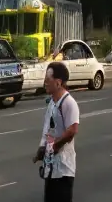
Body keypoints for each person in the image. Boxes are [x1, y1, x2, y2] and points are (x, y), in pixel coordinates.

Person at [34, 62, 80, 202]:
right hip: (51, 167)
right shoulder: (53, 103)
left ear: (58, 83)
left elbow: (72, 130)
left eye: (48, 80)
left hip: (63, 169)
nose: (45, 83)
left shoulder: (69, 103)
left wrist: (55, 146)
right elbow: (47, 128)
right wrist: (42, 148)